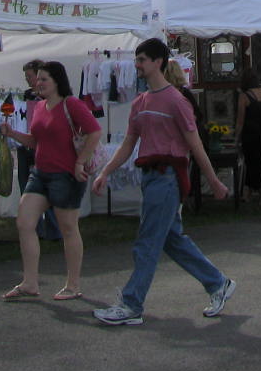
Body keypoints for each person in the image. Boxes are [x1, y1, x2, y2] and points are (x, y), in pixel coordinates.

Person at [91, 37, 234, 326]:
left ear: (157, 62)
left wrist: (213, 181)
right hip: (150, 178)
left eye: (142, 60)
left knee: (146, 243)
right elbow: (128, 144)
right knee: (171, 240)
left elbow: (195, 145)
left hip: (168, 179)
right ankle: (218, 283)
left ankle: (131, 304)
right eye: (137, 60)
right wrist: (105, 172)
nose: (137, 65)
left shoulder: (176, 100)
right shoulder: (141, 102)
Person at [0, 60, 100, 301]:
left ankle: (73, 284)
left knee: (68, 228)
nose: (38, 83)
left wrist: (79, 162)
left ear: (57, 81)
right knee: (24, 222)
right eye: (38, 79)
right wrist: (12, 134)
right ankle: (30, 282)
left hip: (66, 175)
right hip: (41, 173)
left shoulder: (71, 104)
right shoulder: (39, 107)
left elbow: (94, 131)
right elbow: (37, 141)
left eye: (44, 79)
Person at [234, 68, 261, 205]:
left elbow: (240, 120)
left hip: (249, 135)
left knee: (253, 165)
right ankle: (247, 193)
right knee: (254, 164)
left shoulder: (244, 97)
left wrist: (236, 138)